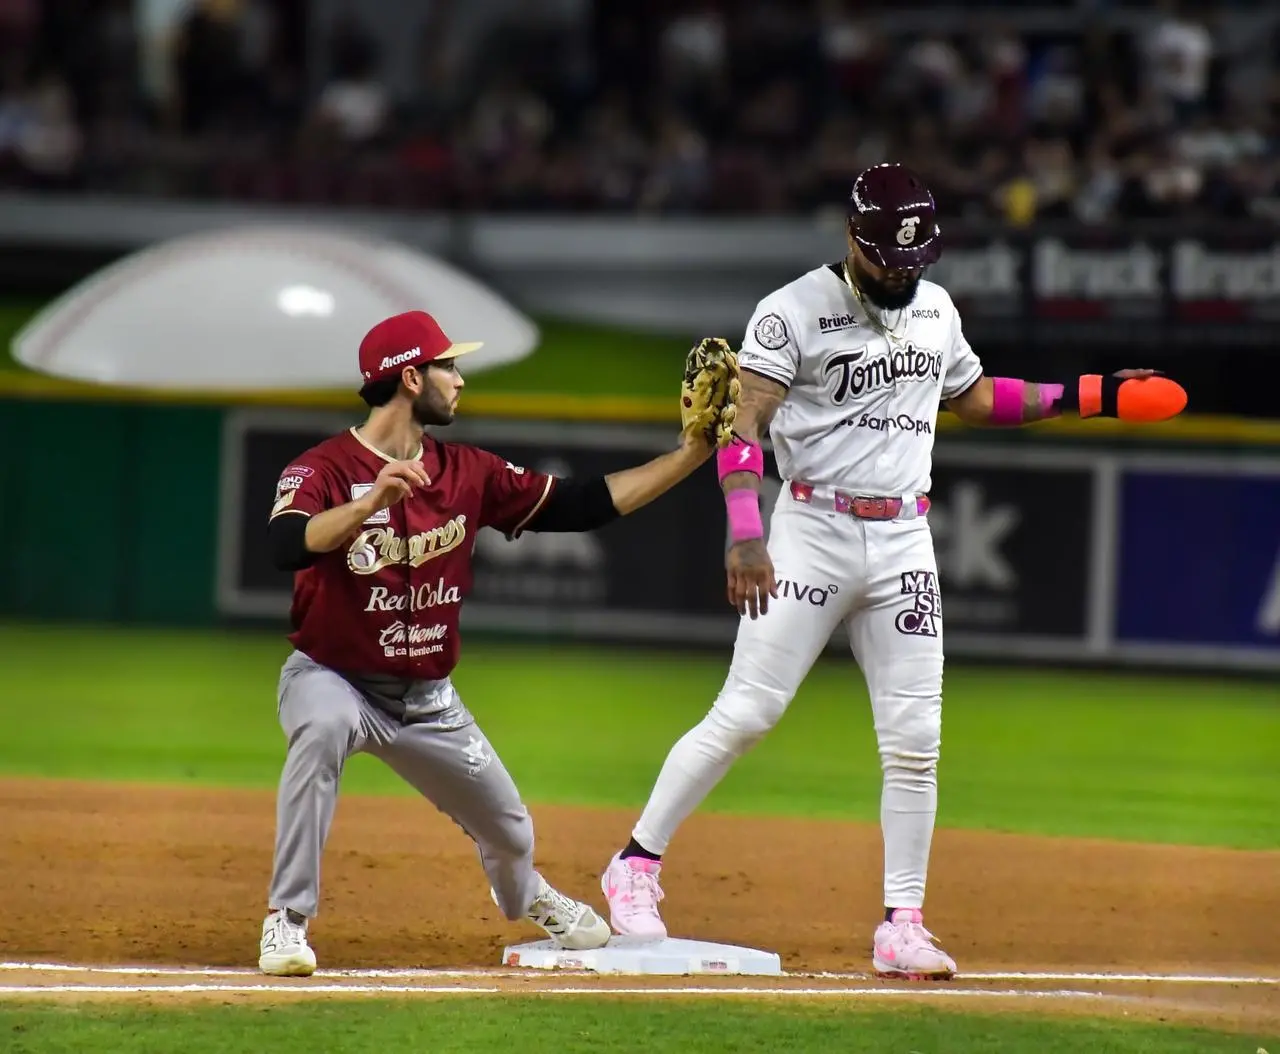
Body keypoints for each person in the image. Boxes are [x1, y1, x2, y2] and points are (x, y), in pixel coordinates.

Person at [599, 162, 1183, 980]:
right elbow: (745, 422)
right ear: (852, 238)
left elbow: (975, 398)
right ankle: (635, 865)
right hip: (810, 529)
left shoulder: (935, 308)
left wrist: (1092, 395)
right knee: (749, 711)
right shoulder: (791, 312)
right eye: (886, 260)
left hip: (905, 539)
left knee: (915, 744)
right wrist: (743, 531)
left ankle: (902, 924)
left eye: (915, 260)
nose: (903, 275)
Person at [259, 309, 723, 976]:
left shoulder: (467, 471)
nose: (460, 379)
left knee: (512, 832)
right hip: (333, 678)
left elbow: (581, 505)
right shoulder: (323, 469)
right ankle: (287, 920)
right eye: (449, 365)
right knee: (323, 729)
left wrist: (691, 455)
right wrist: (366, 504)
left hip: (428, 699)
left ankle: (527, 894)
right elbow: (283, 545)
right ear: (411, 378)